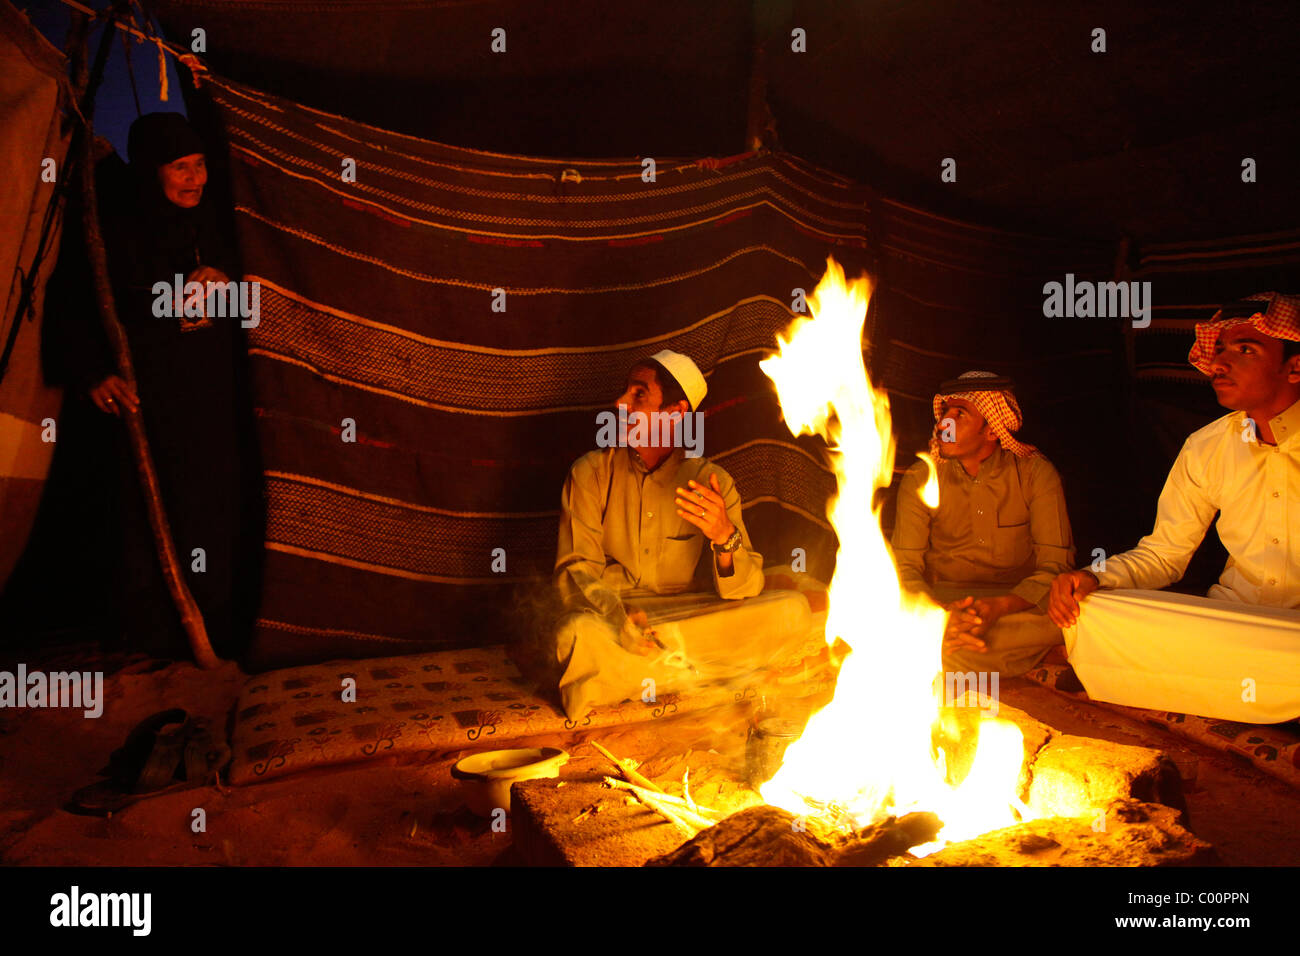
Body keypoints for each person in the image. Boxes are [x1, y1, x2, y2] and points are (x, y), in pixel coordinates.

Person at [47, 112, 259, 658]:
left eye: (200, 164)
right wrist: (93, 372)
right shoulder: (116, 225)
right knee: (148, 509)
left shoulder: (218, 222)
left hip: (213, 393)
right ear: (150, 171)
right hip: (151, 395)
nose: (195, 178)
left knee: (215, 506)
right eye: (179, 167)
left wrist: (225, 281)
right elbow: (77, 299)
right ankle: (153, 634)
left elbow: (247, 300)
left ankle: (217, 621)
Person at [1045, 292, 1300, 721]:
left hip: (1294, 637)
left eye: (1245, 350)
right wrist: (1092, 577)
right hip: (1228, 624)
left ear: (1294, 366)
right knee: (1096, 610)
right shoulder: (1206, 447)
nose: (1219, 364)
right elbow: (1165, 553)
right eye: (1219, 350)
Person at [550, 350, 812, 718]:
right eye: (626, 392)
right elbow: (574, 570)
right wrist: (616, 616)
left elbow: (746, 586)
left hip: (688, 621)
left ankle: (641, 678)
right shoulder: (590, 473)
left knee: (791, 610)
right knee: (575, 633)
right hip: (615, 620)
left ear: (675, 412)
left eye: (638, 395)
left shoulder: (710, 481)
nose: (620, 403)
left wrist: (724, 536)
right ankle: (707, 675)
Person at [891, 371, 1075, 678]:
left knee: (1080, 617)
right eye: (944, 413)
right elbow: (904, 567)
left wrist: (999, 607)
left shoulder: (1035, 475)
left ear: (992, 430)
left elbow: (1056, 567)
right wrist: (937, 617)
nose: (943, 425)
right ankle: (962, 650)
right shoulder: (921, 478)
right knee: (873, 614)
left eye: (959, 415)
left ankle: (942, 655)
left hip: (1017, 607)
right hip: (942, 604)